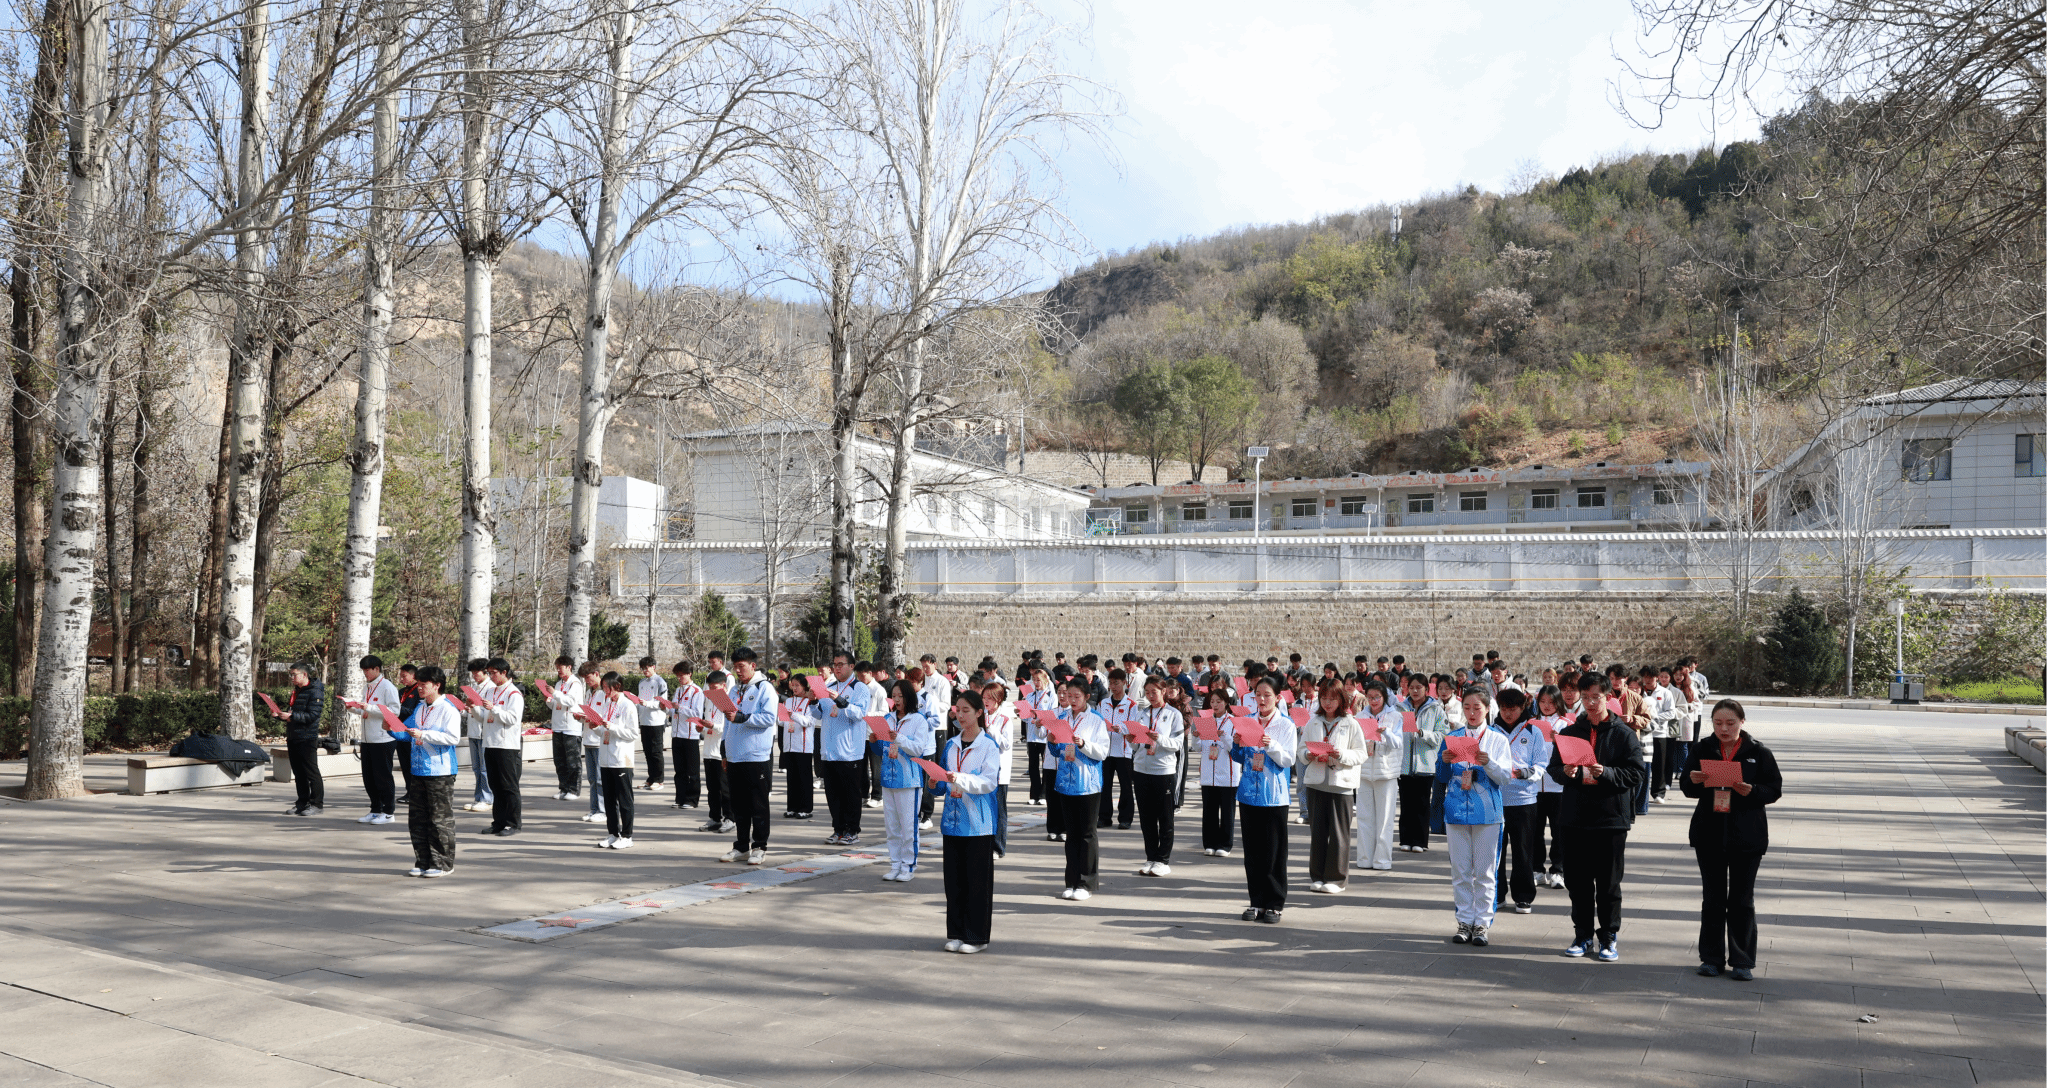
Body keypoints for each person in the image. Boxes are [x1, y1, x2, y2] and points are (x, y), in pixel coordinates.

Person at [1545, 672, 1646, 962]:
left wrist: (1608, 772)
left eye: (1596, 697)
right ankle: (1583, 935)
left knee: (1608, 882)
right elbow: (1554, 768)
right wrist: (1565, 772)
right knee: (1577, 881)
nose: (1590, 703)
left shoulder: (1623, 733)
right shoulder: (1570, 732)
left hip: (1610, 818)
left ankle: (1609, 936)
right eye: (1586, 697)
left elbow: (1636, 773)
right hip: (1575, 817)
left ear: (1608, 697)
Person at [1681, 699, 1782, 980]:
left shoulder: (1759, 752)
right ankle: (1711, 959)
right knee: (1712, 898)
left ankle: (1742, 960)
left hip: (1747, 835)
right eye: (1718, 723)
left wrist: (1753, 791)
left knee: (1742, 899)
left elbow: (1774, 789)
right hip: (1709, 833)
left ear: (1742, 722)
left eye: (1730, 723)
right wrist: (1695, 781)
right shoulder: (1702, 749)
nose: (1723, 729)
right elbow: (1686, 786)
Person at [1437, 689, 1513, 945]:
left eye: (1477, 708)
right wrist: (1444, 761)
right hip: (1456, 810)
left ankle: (1481, 923)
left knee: (1485, 871)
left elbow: (1505, 777)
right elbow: (1441, 777)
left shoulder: (1497, 739)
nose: (1471, 713)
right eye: (1467, 707)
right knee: (1460, 871)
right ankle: (1464, 921)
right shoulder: (1452, 737)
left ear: (1487, 709)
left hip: (1488, 813)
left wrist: (1488, 763)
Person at [930, 690, 1003, 953]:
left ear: (979, 713)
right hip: (952, 822)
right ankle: (957, 932)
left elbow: (988, 783)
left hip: (978, 824)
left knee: (977, 882)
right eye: (957, 710)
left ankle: (977, 937)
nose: (960, 716)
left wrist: (959, 778)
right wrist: (935, 782)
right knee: (954, 881)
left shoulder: (988, 745)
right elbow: (942, 784)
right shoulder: (951, 744)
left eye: (966, 711)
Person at [1231, 677, 1297, 923]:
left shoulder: (1286, 725)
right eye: (1258, 694)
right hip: (1248, 793)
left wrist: (1272, 745)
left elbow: (1288, 759)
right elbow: (1240, 757)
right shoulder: (1248, 721)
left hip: (1274, 797)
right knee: (1252, 852)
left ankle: (1275, 903)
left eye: (1267, 695)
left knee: (1274, 852)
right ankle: (1256, 901)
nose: (1261, 699)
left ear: (1278, 698)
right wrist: (1236, 745)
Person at [386, 664, 461, 877]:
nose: (419, 688)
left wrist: (424, 734)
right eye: (418, 684)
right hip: (418, 770)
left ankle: (443, 863)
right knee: (417, 819)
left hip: (440, 771)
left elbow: (453, 738)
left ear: (437, 685)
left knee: (439, 819)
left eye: (423, 684)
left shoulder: (448, 709)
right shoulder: (420, 708)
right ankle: (423, 861)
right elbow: (406, 733)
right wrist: (391, 728)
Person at [1300, 678, 1366, 894]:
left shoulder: (1351, 723)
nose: (1328, 703)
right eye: (1324, 698)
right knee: (1318, 833)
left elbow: (1361, 754)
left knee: (1339, 835)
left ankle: (1336, 879)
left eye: (1333, 699)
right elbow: (1300, 751)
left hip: (1341, 786)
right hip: (1316, 784)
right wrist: (1308, 755)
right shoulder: (1313, 722)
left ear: (1342, 700)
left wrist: (1341, 755)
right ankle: (1317, 876)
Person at [1049, 678, 1110, 900]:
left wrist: (1083, 744)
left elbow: (1102, 752)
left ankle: (1086, 883)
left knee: (1087, 834)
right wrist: (1052, 741)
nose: (1072, 700)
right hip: (1065, 784)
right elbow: (1056, 752)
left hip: (1088, 785)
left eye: (1077, 696)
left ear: (1087, 697)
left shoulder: (1096, 720)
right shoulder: (1061, 718)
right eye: (1069, 696)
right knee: (1071, 834)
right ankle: (1071, 881)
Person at [718, 647, 779, 865]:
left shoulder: (765, 688)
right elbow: (728, 722)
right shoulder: (734, 690)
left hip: (756, 756)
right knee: (739, 805)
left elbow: (769, 718)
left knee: (758, 804)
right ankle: (741, 846)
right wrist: (724, 751)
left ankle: (759, 846)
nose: (737, 671)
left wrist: (742, 717)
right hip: (735, 755)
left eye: (741, 666)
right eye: (735, 667)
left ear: (753, 665)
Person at [874, 677, 936, 881]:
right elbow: (881, 750)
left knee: (908, 827)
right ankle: (895, 864)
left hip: (909, 781)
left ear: (909, 697)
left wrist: (898, 738)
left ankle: (908, 866)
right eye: (894, 696)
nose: (897, 700)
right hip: (888, 779)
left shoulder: (918, 720)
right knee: (892, 827)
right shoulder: (887, 718)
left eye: (901, 696)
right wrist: (874, 741)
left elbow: (918, 749)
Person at [1494, 687, 1547, 914]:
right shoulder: (1491, 731)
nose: (1508, 713)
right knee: (1495, 852)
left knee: (1523, 851)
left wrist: (1526, 773)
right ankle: (1497, 894)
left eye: (1513, 709)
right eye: (1503, 709)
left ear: (1522, 707)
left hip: (1524, 800)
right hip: (1496, 799)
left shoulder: (1533, 731)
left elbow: (1541, 763)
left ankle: (1523, 896)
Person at [816, 653, 874, 846]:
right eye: (835, 665)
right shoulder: (829, 687)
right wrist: (813, 700)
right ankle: (838, 829)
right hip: (829, 750)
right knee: (833, 794)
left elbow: (860, 713)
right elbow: (818, 714)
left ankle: (852, 830)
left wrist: (841, 701)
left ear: (851, 666)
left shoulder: (859, 688)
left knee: (851, 794)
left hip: (849, 751)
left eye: (841, 664)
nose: (837, 668)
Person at [1131, 676, 1185, 875]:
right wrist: (1131, 739)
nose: (1150, 696)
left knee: (1165, 817)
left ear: (1163, 691)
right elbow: (1136, 747)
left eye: (1154, 692)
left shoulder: (1173, 714)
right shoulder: (1141, 713)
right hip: (1141, 769)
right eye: (1147, 692)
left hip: (1163, 771)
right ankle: (1151, 857)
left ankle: (1163, 860)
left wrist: (1159, 738)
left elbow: (1177, 744)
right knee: (1146, 818)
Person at [1353, 681, 1405, 873]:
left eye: (1377, 697)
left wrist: (1387, 733)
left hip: (1386, 772)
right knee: (1364, 817)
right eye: (1370, 697)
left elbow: (1398, 743)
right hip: (1364, 771)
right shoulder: (1360, 717)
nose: (1374, 701)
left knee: (1385, 819)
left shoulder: (1395, 716)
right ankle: (1364, 858)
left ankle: (1382, 860)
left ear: (1384, 697)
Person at [477, 658, 527, 836]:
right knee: (495, 785)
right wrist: (473, 709)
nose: (491, 676)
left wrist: (494, 708)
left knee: (509, 786)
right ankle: (498, 822)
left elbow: (513, 719)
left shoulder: (514, 693)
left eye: (493, 673)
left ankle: (513, 823)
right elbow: (484, 717)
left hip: (507, 745)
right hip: (490, 742)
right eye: (489, 673)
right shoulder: (490, 691)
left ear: (504, 672)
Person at [350, 655, 402, 825]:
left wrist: (370, 708)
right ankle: (375, 810)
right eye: (363, 670)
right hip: (367, 739)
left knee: (383, 777)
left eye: (367, 670)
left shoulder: (387, 687)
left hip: (383, 739)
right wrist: (353, 708)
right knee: (369, 778)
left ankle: (388, 812)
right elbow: (366, 711)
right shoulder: (367, 687)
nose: (365, 673)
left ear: (377, 669)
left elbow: (395, 711)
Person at [1397, 674, 1446, 852]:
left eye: (1419, 687)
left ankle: (1420, 841)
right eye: (1411, 687)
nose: (1415, 691)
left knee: (1422, 805)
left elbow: (1442, 735)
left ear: (1426, 689)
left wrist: (1422, 733)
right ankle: (1405, 840)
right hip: (1404, 764)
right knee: (1406, 804)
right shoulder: (1399, 708)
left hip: (1425, 764)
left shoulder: (1436, 709)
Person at [591, 672, 639, 848]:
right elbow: (604, 731)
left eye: (606, 687)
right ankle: (613, 833)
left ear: (617, 686)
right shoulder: (607, 703)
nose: (604, 690)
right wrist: (595, 727)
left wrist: (612, 727)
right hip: (606, 758)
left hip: (621, 759)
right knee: (609, 800)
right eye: (603, 687)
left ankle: (627, 836)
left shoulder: (628, 705)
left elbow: (633, 733)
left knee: (624, 799)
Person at [1531, 685, 1570, 888]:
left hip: (1558, 787)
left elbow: (1572, 754)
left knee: (1559, 831)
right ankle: (1537, 869)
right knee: (1535, 831)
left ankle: (1558, 871)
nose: (1546, 706)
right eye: (1543, 702)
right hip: (1534, 787)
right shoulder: (1530, 724)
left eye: (1551, 702)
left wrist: (1559, 741)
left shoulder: (1566, 724)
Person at [278, 663, 327, 816]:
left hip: (307, 737)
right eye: (290, 674)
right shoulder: (298, 690)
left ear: (304, 674)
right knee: (299, 773)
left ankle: (317, 804)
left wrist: (292, 716)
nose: (292, 677)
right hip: (293, 735)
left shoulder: (315, 691)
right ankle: (302, 803)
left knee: (311, 772)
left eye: (294, 674)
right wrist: (281, 715)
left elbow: (313, 715)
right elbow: (295, 712)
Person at [1096, 669, 1141, 829]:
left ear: (1124, 683)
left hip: (1124, 751)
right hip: (1106, 751)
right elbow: (1098, 723)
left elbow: (1134, 726)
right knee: (1104, 785)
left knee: (1126, 786)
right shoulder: (1102, 704)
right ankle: (1104, 817)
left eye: (1116, 683)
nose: (1113, 686)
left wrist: (1121, 728)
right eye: (1111, 683)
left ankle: (1125, 818)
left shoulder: (1132, 705)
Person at [979, 680, 1018, 857]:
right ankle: (985, 844)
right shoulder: (981, 716)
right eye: (984, 697)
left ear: (998, 699)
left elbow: (1006, 745)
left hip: (1000, 771)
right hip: (983, 769)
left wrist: (993, 731)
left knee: (999, 810)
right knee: (985, 809)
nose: (986, 701)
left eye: (990, 698)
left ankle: (998, 846)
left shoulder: (1004, 720)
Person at [1196, 703, 1239, 856]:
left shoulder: (1233, 721)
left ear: (1226, 703)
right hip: (1208, 773)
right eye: (1212, 701)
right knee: (1209, 811)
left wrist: (1224, 736)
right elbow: (1198, 748)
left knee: (1227, 811)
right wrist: (1196, 737)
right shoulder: (1206, 721)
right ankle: (1209, 843)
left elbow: (1235, 748)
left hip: (1227, 773)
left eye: (1218, 701)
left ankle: (1225, 845)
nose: (1215, 704)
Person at [542, 656, 585, 800]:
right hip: (558, 726)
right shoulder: (559, 683)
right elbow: (556, 705)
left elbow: (570, 701)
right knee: (560, 760)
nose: (558, 671)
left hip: (571, 727)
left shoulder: (575, 684)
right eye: (557, 668)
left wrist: (554, 693)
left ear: (569, 667)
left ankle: (574, 790)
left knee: (572, 761)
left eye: (560, 667)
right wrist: (549, 700)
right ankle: (563, 788)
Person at [668, 661, 705, 810]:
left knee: (692, 770)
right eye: (677, 675)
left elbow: (697, 714)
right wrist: (667, 708)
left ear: (689, 674)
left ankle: (692, 799)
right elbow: (673, 711)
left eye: (681, 675)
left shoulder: (696, 691)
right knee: (679, 770)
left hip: (690, 735)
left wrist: (680, 708)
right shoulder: (678, 690)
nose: (679, 678)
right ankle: (680, 798)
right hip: (676, 734)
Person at [458, 657, 493, 812]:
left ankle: (487, 799)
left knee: (485, 768)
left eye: (476, 672)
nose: (474, 675)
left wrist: (473, 708)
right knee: (477, 768)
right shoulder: (475, 688)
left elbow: (487, 712)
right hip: (473, 732)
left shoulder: (491, 688)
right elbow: (474, 711)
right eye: (472, 672)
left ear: (485, 671)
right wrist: (465, 709)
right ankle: (479, 797)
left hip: (485, 732)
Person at [780, 675, 817, 820]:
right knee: (792, 778)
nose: (794, 688)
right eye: (793, 685)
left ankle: (805, 808)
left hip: (803, 746)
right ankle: (792, 807)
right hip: (789, 745)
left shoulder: (810, 702)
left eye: (797, 685)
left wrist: (793, 715)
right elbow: (781, 722)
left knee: (804, 779)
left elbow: (808, 722)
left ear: (804, 686)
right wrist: (781, 715)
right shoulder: (788, 701)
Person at [576, 663, 608, 824]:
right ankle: (594, 809)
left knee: (600, 779)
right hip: (588, 738)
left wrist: (592, 718)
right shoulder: (589, 692)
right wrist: (580, 717)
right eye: (584, 679)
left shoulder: (605, 692)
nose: (586, 681)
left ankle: (603, 810)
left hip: (599, 740)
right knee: (592, 778)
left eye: (588, 677)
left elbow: (605, 717)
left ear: (596, 674)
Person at [1021, 664, 1057, 808]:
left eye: (1039, 680)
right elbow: (1025, 717)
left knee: (1046, 766)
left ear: (1045, 681)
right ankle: (1034, 794)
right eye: (1034, 680)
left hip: (1044, 735)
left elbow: (1053, 714)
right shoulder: (1030, 696)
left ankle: (1043, 795)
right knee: (1033, 766)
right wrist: (1022, 714)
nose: (1036, 683)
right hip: (1031, 735)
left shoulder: (1051, 696)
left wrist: (1041, 720)